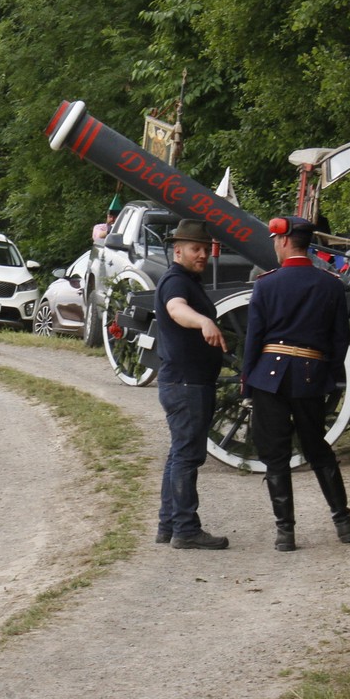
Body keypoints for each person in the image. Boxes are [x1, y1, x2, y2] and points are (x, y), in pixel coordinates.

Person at [240, 214, 350, 552]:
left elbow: (253, 339)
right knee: (317, 448)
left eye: (275, 242)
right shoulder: (331, 284)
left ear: (283, 241)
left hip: (269, 378)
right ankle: (344, 523)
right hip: (310, 376)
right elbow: (340, 340)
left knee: (275, 455)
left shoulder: (265, 284)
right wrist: (324, 377)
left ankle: (285, 533)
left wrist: (248, 383)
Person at [153, 219, 230, 549]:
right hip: (187, 384)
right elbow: (176, 309)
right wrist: (203, 321)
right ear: (178, 251)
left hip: (184, 382)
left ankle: (168, 525)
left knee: (179, 454)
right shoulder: (176, 282)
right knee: (187, 457)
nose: (202, 255)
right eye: (195, 249)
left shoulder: (186, 280)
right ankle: (185, 530)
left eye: (205, 249)